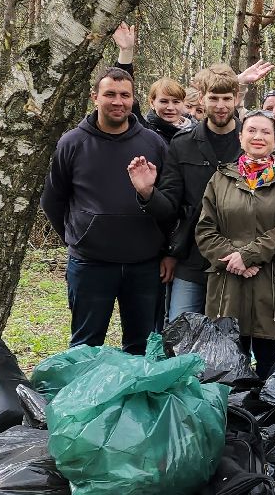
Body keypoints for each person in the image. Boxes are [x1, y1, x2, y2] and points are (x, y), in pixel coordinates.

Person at [40, 65, 176, 353]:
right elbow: (52, 199)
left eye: (125, 95)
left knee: (141, 346)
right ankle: (85, 397)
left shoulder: (153, 143)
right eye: (110, 94)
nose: (118, 101)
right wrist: (76, 237)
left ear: (133, 99)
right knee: (85, 346)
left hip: (144, 264)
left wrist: (167, 252)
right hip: (91, 264)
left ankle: (135, 396)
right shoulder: (72, 143)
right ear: (95, 97)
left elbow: (169, 206)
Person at [195, 111, 275, 378]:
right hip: (228, 285)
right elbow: (205, 229)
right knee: (227, 366)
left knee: (268, 365)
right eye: (252, 130)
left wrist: (250, 256)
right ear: (240, 137)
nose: (258, 137)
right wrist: (236, 259)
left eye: (266, 132)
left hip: (271, 286)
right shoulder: (221, 179)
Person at [159, 65, 245, 321]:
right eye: (213, 98)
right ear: (201, 99)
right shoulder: (182, 144)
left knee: (230, 342)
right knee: (180, 333)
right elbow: (170, 203)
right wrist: (146, 193)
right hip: (191, 259)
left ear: (237, 99)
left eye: (226, 98)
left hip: (238, 259)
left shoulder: (252, 141)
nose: (220, 105)